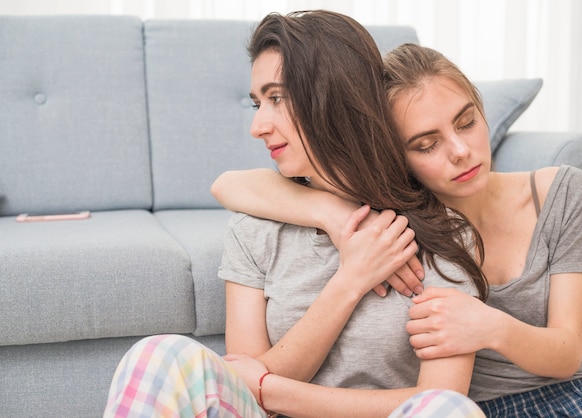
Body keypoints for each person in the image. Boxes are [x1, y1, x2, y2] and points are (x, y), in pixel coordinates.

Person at [104, 10, 488, 418]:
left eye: (276, 98)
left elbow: (441, 398)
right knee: (160, 356)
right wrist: (350, 280)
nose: (257, 126)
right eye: (257, 103)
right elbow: (244, 383)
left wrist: (272, 391)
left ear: (332, 96)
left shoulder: (438, 232)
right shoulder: (255, 229)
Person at [212, 42, 582, 417]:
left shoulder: (562, 192)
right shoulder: (403, 214)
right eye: (426, 145)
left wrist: (489, 326)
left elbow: (568, 353)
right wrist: (333, 214)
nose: (460, 152)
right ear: (395, 155)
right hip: (467, 408)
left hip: (569, 393)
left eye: (466, 122)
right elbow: (229, 184)